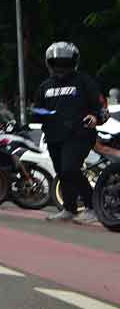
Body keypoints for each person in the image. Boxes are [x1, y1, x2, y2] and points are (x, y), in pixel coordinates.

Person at [35, 42, 107, 224]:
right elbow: (37, 111)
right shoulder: (45, 86)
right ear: (50, 63)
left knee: (70, 168)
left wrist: (95, 117)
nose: (61, 67)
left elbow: (101, 107)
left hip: (79, 135)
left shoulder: (84, 81)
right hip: (53, 136)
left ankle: (93, 206)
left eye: (65, 63)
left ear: (73, 63)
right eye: (57, 63)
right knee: (62, 172)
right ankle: (69, 208)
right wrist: (42, 116)